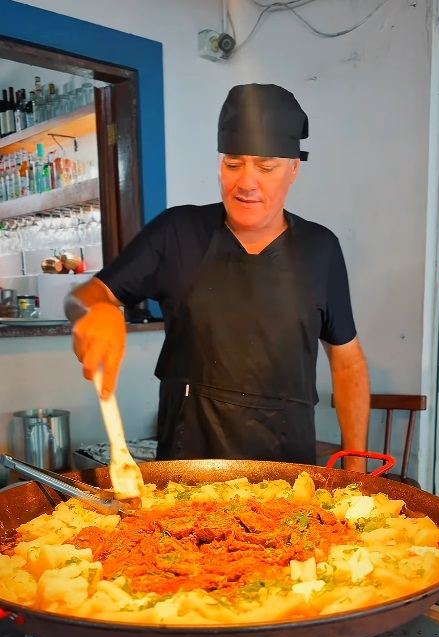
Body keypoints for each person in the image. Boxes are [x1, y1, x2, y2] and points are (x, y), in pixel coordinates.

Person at [65, 83, 370, 471]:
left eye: (266, 166)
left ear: (293, 168)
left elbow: (348, 364)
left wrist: (357, 470)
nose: (246, 182)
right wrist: (96, 308)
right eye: (233, 163)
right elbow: (81, 297)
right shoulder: (177, 232)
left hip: (289, 478)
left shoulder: (321, 248)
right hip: (186, 475)